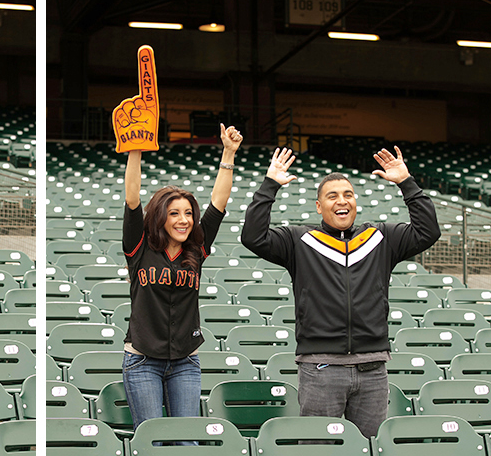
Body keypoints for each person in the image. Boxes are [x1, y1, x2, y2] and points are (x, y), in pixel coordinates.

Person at [240, 145, 441, 437]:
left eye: (347, 195)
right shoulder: (299, 240)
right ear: (319, 206)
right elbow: (253, 237)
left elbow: (428, 231)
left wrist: (405, 182)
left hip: (373, 369)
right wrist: (270, 185)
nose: (341, 201)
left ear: (356, 203)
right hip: (321, 367)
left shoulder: (380, 237)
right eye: (332, 196)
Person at [122, 123, 242, 427]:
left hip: (185, 361)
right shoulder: (140, 247)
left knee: (187, 438)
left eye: (188, 213)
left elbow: (219, 202)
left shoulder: (197, 248)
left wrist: (228, 153)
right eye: (174, 213)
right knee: (152, 440)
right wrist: (135, 149)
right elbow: (133, 199)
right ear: (161, 216)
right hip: (142, 360)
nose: (183, 219)